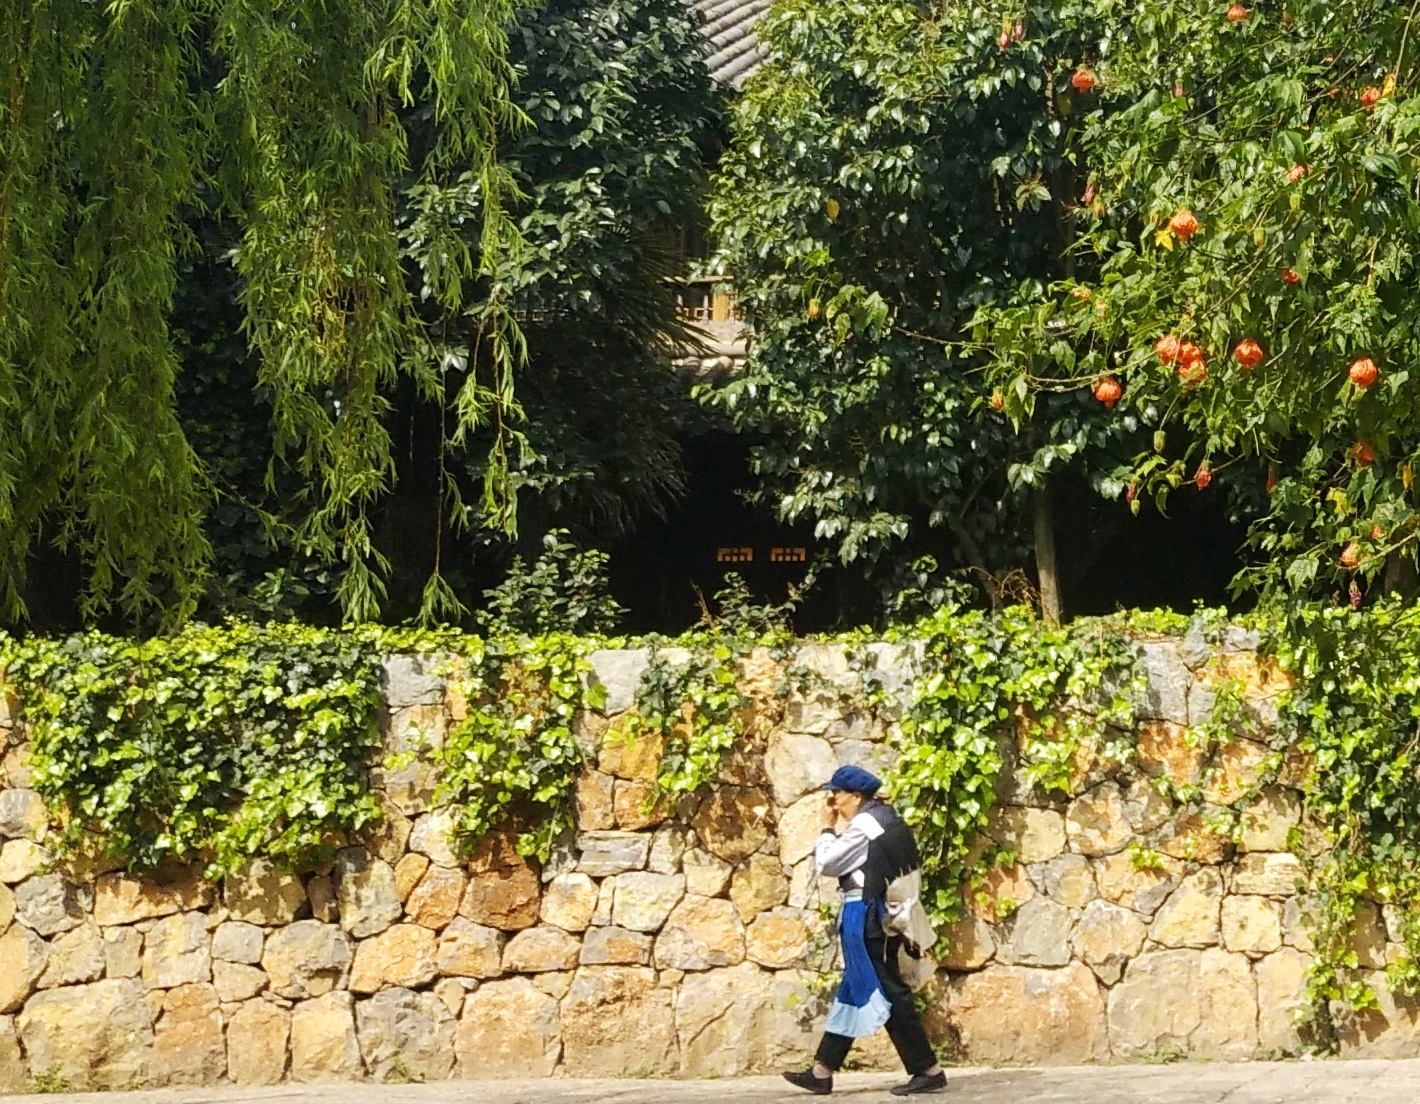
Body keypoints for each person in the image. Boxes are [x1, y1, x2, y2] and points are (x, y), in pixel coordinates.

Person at [782, 765, 948, 1097]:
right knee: (855, 987)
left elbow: (828, 863)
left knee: (888, 991)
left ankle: (928, 1069)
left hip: (867, 916)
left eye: (836, 794)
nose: (832, 801)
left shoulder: (864, 825)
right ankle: (822, 1070)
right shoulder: (887, 818)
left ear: (856, 796)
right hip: (879, 914)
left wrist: (827, 829)